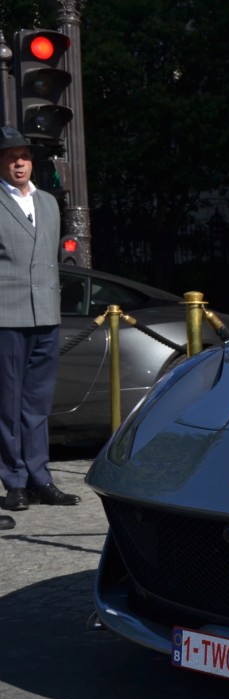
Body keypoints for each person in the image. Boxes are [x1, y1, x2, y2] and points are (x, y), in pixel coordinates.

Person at [0, 126, 79, 512]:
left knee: (37, 404)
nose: (19, 162)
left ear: (33, 162)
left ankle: (39, 477)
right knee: (8, 404)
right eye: (11, 156)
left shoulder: (49, 203)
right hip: (6, 316)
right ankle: (13, 481)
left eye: (25, 156)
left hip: (45, 314)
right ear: (2, 162)